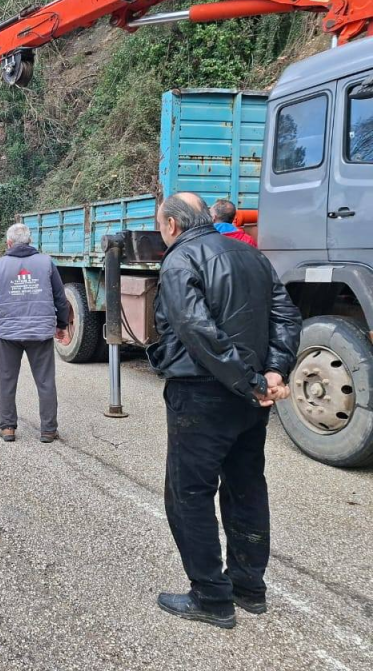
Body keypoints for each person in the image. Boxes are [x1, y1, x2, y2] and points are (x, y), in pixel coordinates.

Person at [147, 192, 301, 630]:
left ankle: (211, 598)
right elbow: (287, 317)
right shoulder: (252, 256)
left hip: (202, 393)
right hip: (250, 397)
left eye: (162, 226)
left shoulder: (179, 261)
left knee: (189, 494)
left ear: (173, 226)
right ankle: (249, 588)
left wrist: (251, 380)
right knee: (246, 486)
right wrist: (273, 371)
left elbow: (198, 330)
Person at [0, 223, 70, 444]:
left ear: (9, 243)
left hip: (8, 335)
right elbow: (61, 298)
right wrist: (61, 325)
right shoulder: (46, 262)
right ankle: (48, 430)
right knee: (45, 381)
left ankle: (8, 428)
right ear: (30, 241)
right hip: (40, 334)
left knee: (7, 380)